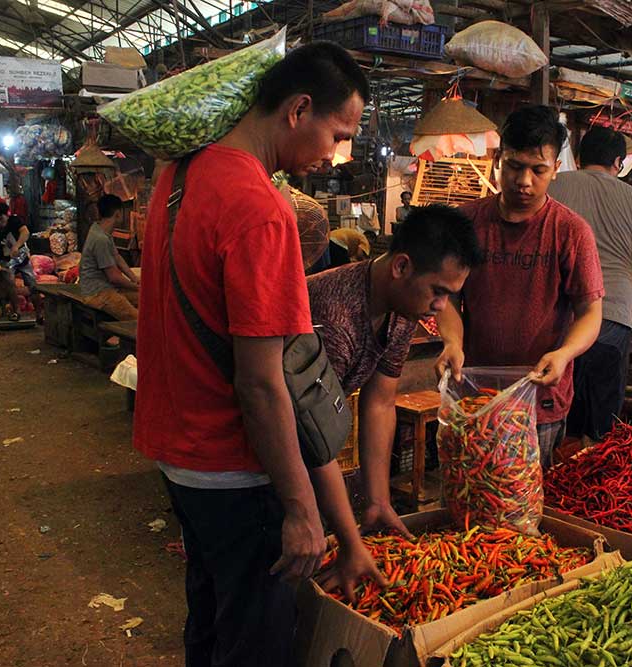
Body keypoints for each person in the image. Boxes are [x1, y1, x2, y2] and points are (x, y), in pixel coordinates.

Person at [133, 42, 382, 667]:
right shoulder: (261, 209)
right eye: (338, 133)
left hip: (179, 454)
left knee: (212, 619)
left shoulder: (179, 177)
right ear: (299, 109)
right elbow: (263, 384)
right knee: (256, 642)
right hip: (236, 467)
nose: (334, 155)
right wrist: (302, 509)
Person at [435, 106, 604, 469]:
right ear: (497, 160)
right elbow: (447, 299)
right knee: (469, 494)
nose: (523, 180)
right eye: (513, 166)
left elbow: (590, 313)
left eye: (538, 169)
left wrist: (565, 354)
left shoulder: (570, 231)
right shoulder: (466, 223)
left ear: (556, 169)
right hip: (474, 394)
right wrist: (452, 341)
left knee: (522, 505)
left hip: (539, 398)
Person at [307, 204, 482, 542]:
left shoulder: (401, 311)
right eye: (439, 291)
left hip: (305, 434)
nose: (442, 307)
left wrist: (378, 502)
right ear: (402, 265)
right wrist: (348, 538)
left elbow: (381, 402)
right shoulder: (335, 319)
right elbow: (310, 434)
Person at [548, 127, 632, 442]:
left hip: (556, 318)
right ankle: (589, 484)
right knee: (601, 426)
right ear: (619, 163)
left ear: (578, 158)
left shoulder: (553, 186)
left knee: (553, 415)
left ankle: (549, 481)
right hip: (611, 320)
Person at [79, 194, 140, 320]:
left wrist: (134, 278)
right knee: (138, 319)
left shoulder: (100, 229)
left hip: (105, 288)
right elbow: (114, 278)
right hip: (98, 293)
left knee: (145, 300)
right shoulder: (101, 239)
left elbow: (117, 257)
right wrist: (138, 287)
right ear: (118, 214)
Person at [0, 201, 43, 322]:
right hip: (5, 261)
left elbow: (25, 232)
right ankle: (16, 312)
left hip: (22, 258)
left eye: (1, 219)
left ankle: (39, 314)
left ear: (7, 215)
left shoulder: (14, 221)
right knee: (10, 284)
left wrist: (17, 246)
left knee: (32, 284)